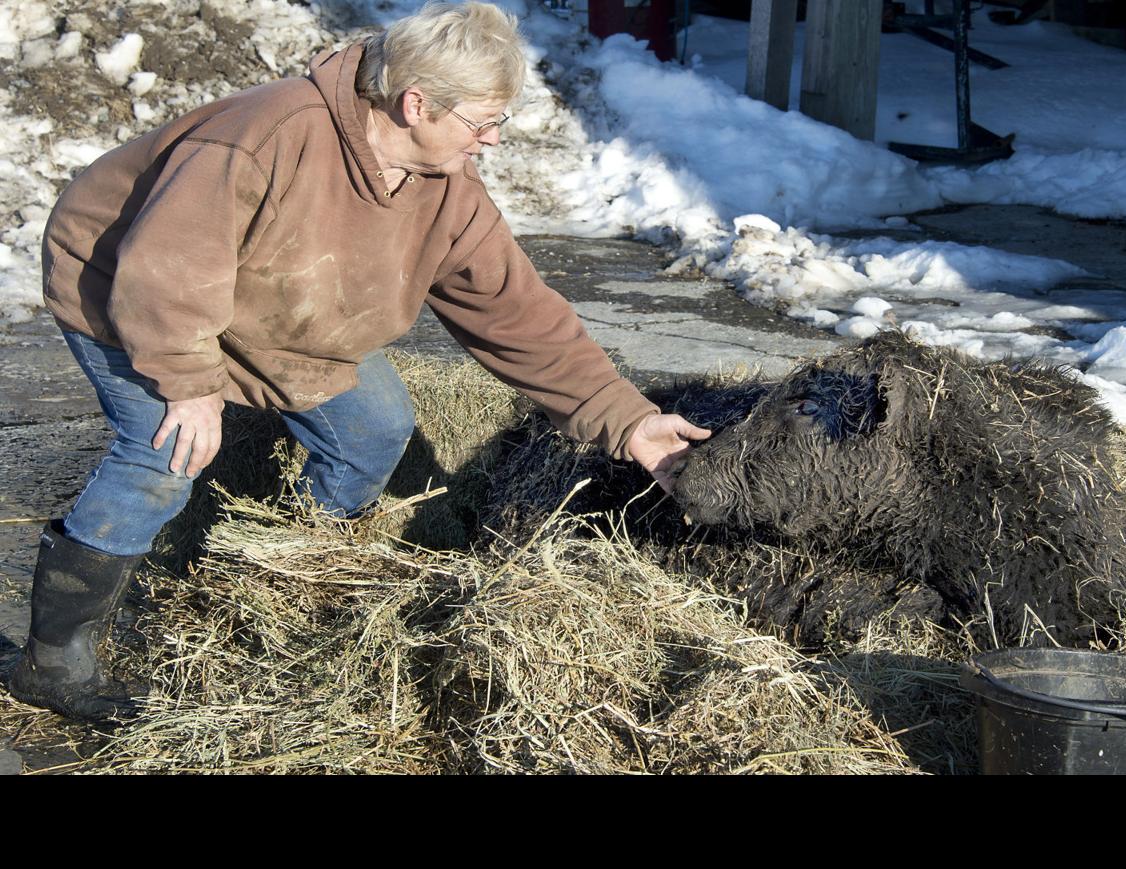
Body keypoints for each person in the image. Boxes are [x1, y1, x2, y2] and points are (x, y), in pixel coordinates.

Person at [10, 1, 710, 723]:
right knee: (162, 457)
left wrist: (629, 421)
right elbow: (168, 268)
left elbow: (514, 311)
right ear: (416, 104)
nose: (493, 141)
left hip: (267, 304)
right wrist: (189, 386)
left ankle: (274, 572)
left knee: (375, 426)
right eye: (482, 122)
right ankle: (54, 662)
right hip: (131, 287)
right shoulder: (267, 136)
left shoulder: (446, 191)